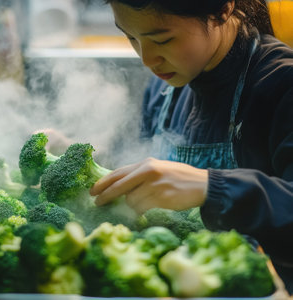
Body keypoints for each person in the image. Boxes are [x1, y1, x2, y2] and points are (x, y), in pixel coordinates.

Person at [83, 0, 293, 293]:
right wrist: (86, 161)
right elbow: (138, 165)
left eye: (162, 40)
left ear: (222, 9)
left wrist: (212, 187)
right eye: (131, 37)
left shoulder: (282, 83)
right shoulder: (162, 85)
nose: (147, 59)